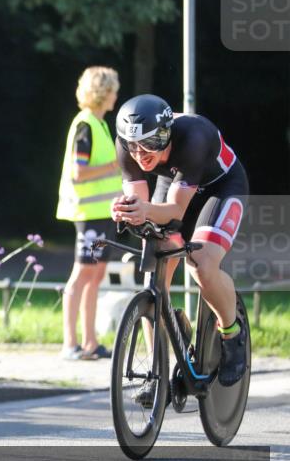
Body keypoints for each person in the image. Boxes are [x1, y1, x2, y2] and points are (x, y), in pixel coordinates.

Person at [111, 94, 249, 393]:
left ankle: (231, 332)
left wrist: (144, 210)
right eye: (132, 146)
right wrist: (127, 209)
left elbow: (174, 211)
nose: (139, 154)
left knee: (201, 264)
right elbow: (142, 204)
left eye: (148, 144)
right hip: (174, 183)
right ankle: (156, 370)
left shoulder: (194, 136)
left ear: (165, 135)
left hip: (219, 188)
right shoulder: (127, 144)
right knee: (153, 275)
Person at [55, 66, 122, 360]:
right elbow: (79, 172)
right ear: (103, 92)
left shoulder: (100, 124)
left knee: (96, 275)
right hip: (88, 214)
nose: (116, 95)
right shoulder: (85, 125)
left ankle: (90, 342)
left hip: (102, 214)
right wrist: (113, 167)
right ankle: (70, 344)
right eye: (113, 90)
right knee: (82, 274)